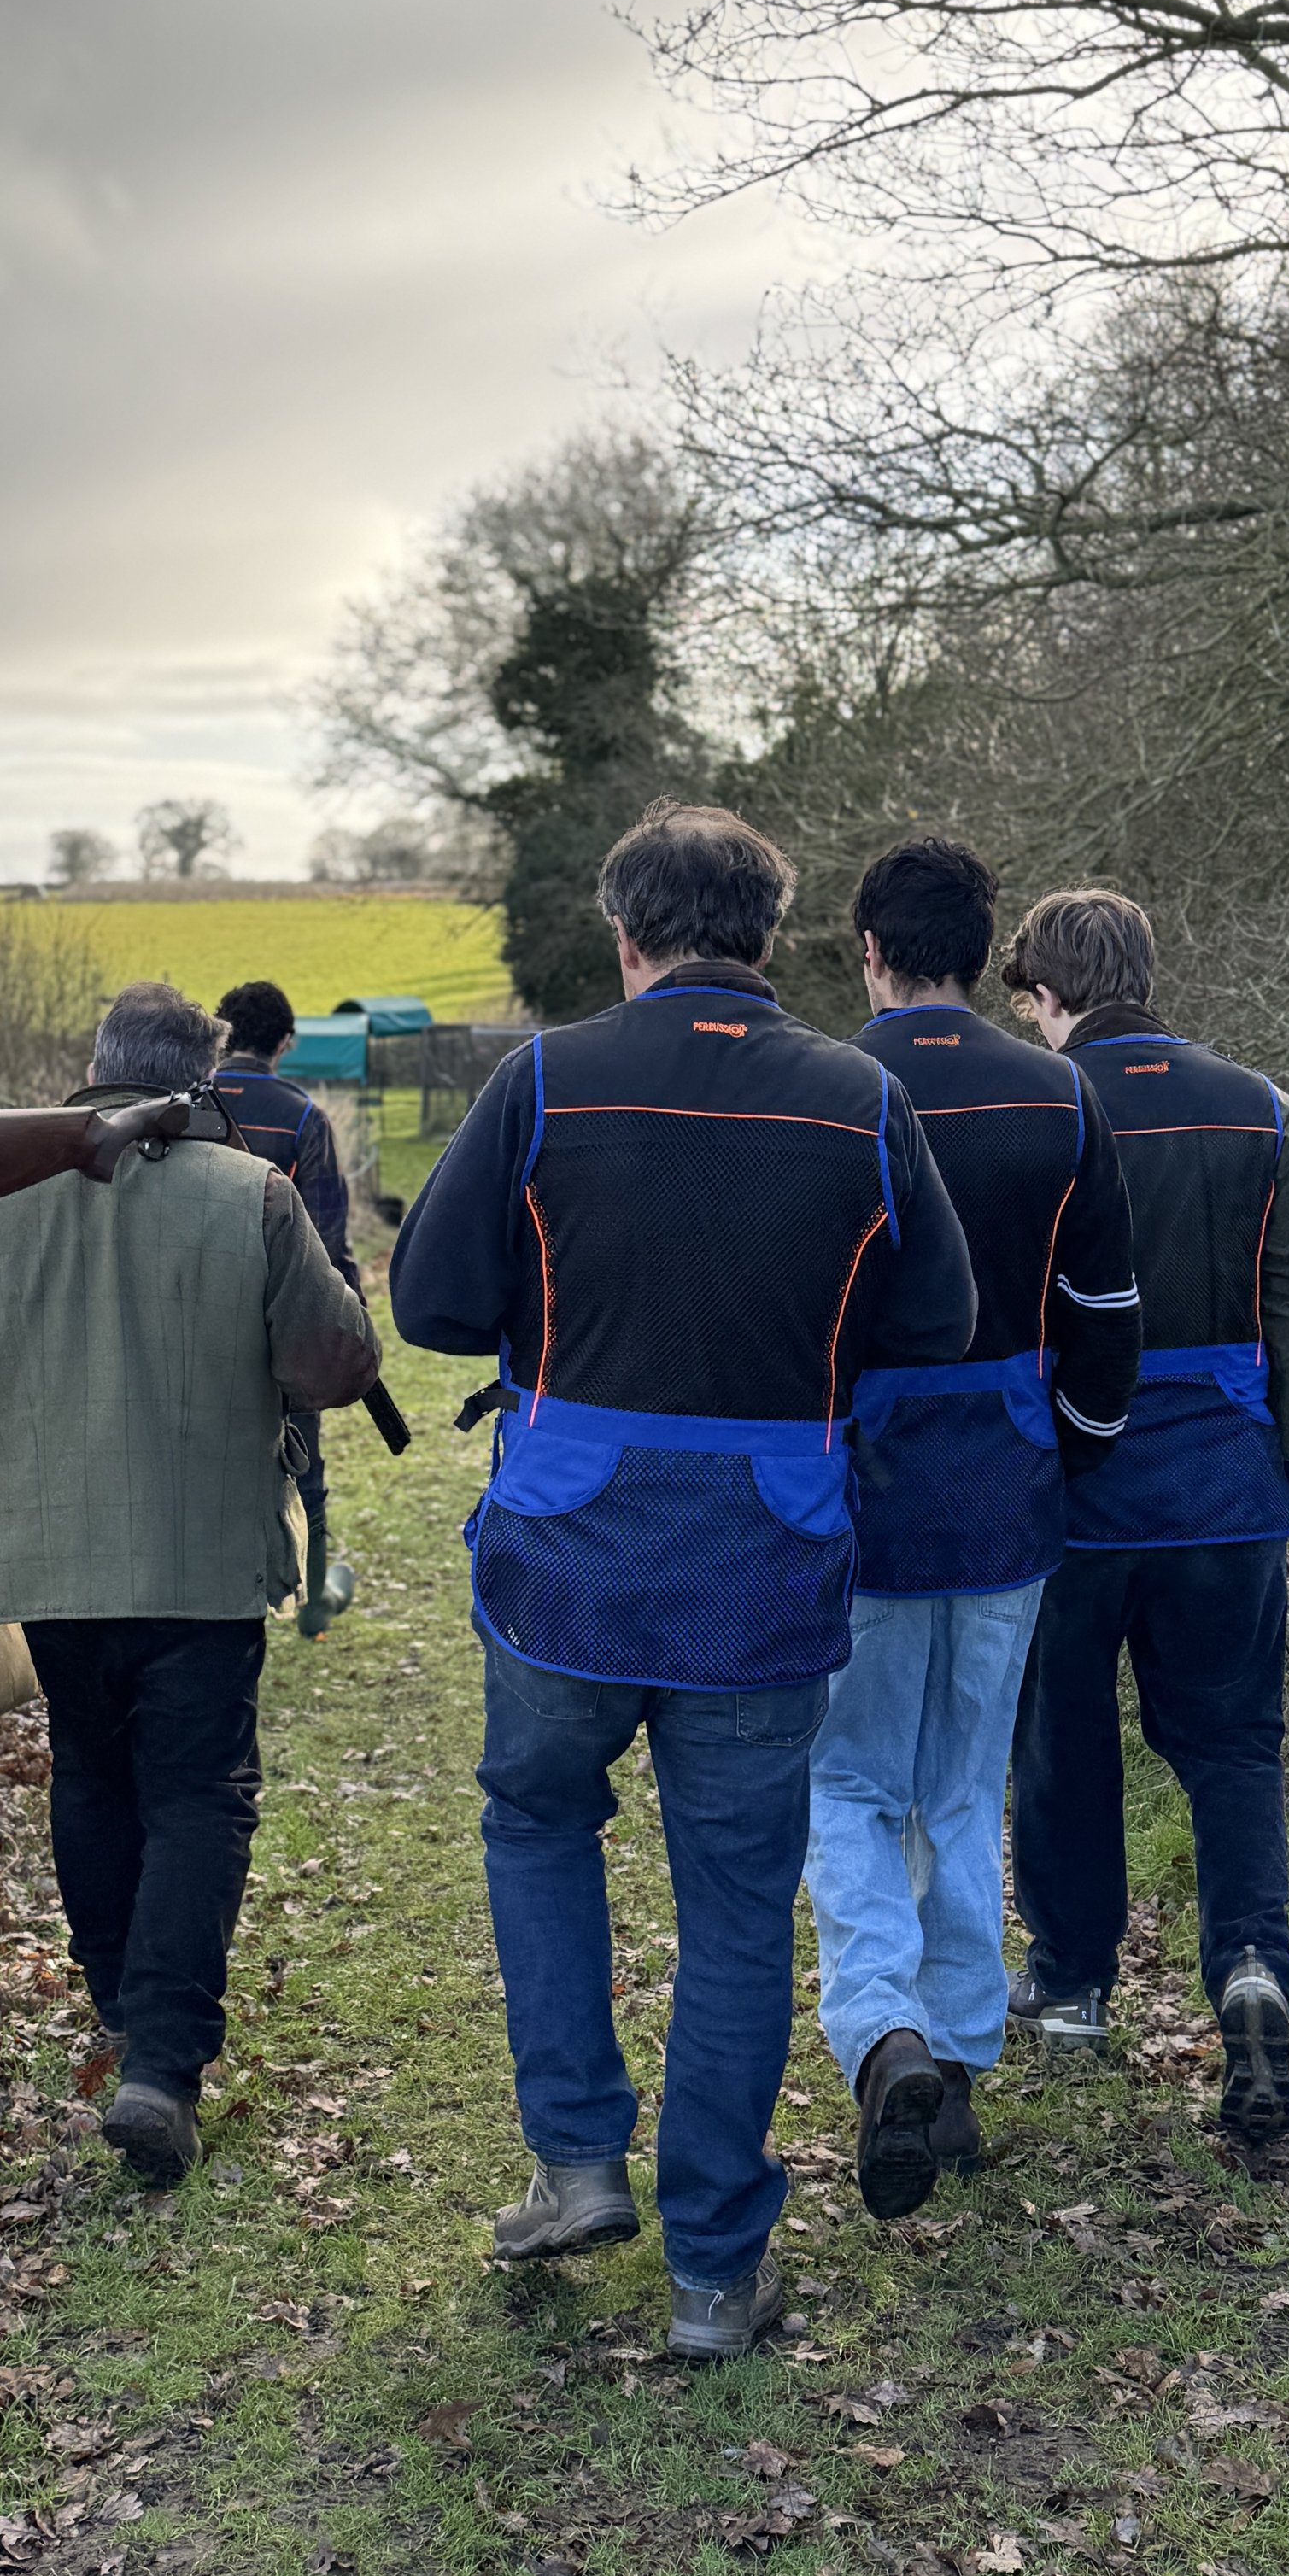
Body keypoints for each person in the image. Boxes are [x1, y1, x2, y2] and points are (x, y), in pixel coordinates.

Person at [390, 802, 976, 2358]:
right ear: (769, 939)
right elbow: (939, 1315)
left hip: (566, 1554)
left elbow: (433, 1300)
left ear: (626, 935)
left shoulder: (542, 1079)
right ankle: (719, 2271)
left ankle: (577, 2158)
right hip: (767, 1557)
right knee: (732, 1909)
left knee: (537, 1820)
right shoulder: (863, 1097)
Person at [0, 981, 380, 2184]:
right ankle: (159, 2062)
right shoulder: (248, 1196)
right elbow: (336, 1361)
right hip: (202, 1565)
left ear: (91, 1068)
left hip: (46, 1568)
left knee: (96, 1777)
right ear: (194, 1084)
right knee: (199, 1794)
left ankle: (120, 2000)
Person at [806, 839, 1140, 2220]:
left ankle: (880, 2032)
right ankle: (955, 2054)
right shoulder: (1058, 1093)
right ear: (982, 941)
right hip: (1009, 1489)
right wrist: (1064, 1454)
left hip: (866, 1495)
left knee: (847, 1782)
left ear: (870, 952)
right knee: (958, 1788)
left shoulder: (828, 1099)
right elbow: (1106, 1320)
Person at [1000, 892, 1289, 2139]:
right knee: (1235, 1746)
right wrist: (1283, 1461)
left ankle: (1076, 1982)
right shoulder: (1259, 1106)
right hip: (1226, 1488)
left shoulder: (1042, 1107)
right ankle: (1251, 1967)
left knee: (1063, 1732)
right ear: (1147, 972)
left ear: (1047, 992)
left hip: (1073, 1490)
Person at [210, 978, 362, 1638]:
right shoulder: (303, 1118)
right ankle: (314, 1605)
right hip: (286, 1325)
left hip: (199, 1323)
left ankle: (218, 1597)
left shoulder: (181, 1106)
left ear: (222, 1034)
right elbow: (328, 1241)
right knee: (305, 1464)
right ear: (286, 1042)